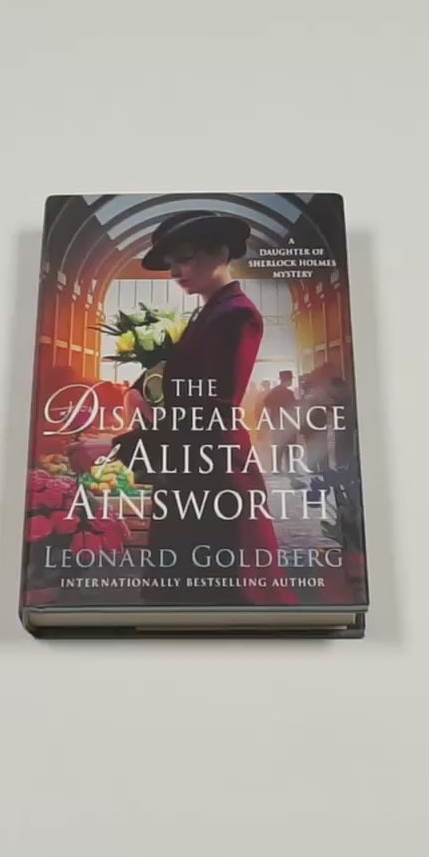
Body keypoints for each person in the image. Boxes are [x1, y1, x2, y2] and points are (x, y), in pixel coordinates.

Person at [115, 211, 294, 606]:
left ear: (220, 252)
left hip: (217, 472)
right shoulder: (209, 311)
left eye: (185, 258)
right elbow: (183, 382)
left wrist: (117, 446)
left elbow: (214, 410)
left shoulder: (237, 315)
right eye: (170, 263)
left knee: (227, 590)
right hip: (196, 469)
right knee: (194, 589)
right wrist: (140, 391)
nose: (175, 272)